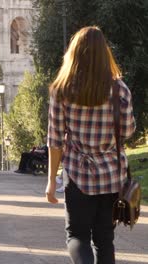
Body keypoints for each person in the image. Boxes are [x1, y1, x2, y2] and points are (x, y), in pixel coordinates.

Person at [45, 26, 135, 264]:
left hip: (77, 176)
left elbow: (55, 140)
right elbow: (127, 130)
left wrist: (52, 180)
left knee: (77, 236)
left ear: (74, 53)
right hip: (111, 175)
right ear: (104, 53)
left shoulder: (61, 90)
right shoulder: (119, 89)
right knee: (105, 239)